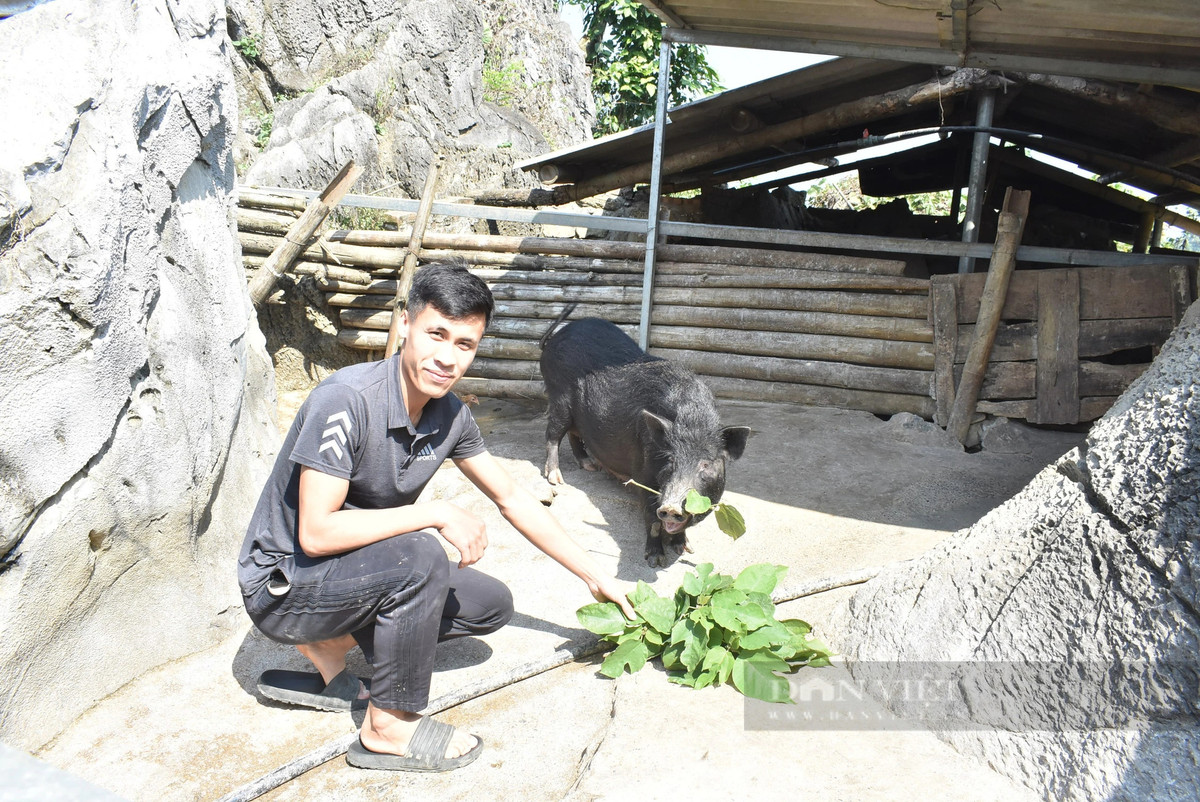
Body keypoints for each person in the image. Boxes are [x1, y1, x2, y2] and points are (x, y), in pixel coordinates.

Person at [237, 261, 636, 772]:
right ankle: (387, 726)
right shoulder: (346, 400)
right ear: (406, 323)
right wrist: (435, 512)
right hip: (284, 585)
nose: (448, 358)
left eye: (465, 344)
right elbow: (316, 533)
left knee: (489, 605)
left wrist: (596, 577)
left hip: (352, 568)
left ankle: (330, 644)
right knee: (421, 552)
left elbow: (512, 498)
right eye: (437, 334)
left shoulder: (449, 414)